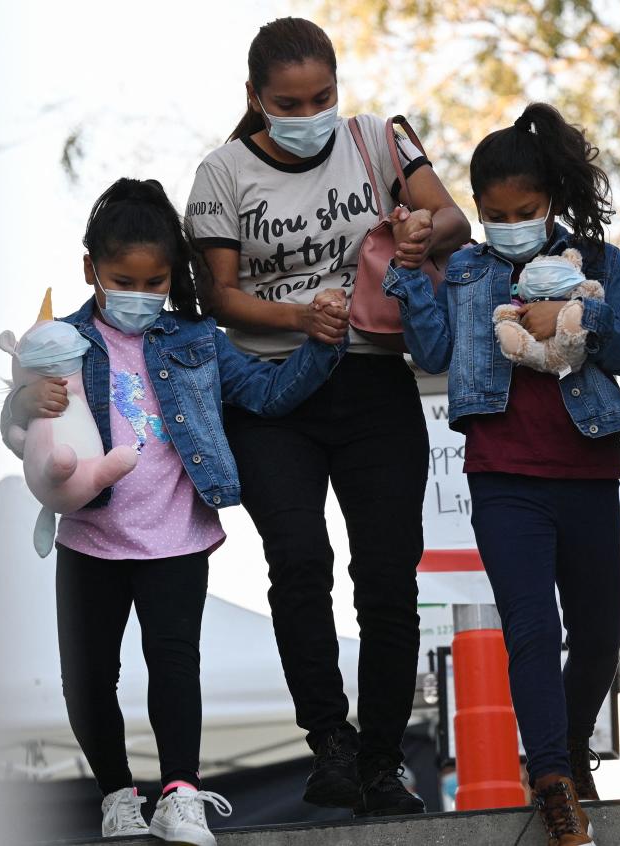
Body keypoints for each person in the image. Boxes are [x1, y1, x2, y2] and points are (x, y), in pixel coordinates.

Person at [0, 178, 346, 844]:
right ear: (90, 270)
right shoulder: (60, 340)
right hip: (90, 537)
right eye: (122, 279)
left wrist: (322, 345)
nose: (139, 294)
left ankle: (181, 794)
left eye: (154, 281)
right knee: (88, 676)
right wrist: (24, 404)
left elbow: (268, 395)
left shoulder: (197, 340)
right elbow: (13, 418)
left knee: (174, 660)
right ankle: (117, 798)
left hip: (176, 535)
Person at [185, 17, 470, 817]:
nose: (307, 112)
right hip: (272, 395)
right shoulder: (220, 173)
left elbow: (453, 220)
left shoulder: (380, 140)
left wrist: (420, 231)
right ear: (254, 98)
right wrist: (299, 318)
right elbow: (219, 297)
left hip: (374, 383)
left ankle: (383, 760)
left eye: (322, 97)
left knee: (386, 575)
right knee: (299, 564)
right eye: (287, 101)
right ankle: (330, 747)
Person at [385, 103, 620, 846]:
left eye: (524, 211)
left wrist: (577, 316)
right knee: (534, 628)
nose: (509, 224)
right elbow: (432, 352)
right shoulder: (465, 269)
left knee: (599, 633)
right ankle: (554, 776)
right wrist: (409, 274)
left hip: (589, 466)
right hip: (503, 475)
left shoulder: (599, 264)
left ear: (552, 203)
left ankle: (562, 751)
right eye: (493, 213)